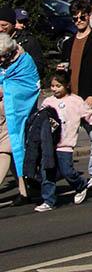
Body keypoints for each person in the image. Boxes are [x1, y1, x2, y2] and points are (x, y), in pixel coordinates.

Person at [36, 72, 92, 211]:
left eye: (58, 86)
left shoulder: (76, 101)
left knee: (67, 171)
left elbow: (89, 114)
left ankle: (81, 185)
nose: (54, 89)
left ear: (66, 85)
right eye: (52, 86)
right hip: (50, 145)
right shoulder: (48, 102)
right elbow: (40, 119)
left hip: (66, 144)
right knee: (47, 172)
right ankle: (49, 200)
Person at [59, 1, 92, 189]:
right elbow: (63, 69)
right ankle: (63, 170)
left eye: (82, 17)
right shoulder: (68, 43)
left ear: (89, 16)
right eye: (75, 18)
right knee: (64, 139)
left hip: (89, 97)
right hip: (70, 99)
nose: (79, 21)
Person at [0, 32, 39, 205]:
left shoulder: (25, 62)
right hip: (3, 116)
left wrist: (6, 91)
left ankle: (26, 190)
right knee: (15, 155)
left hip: (15, 115)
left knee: (5, 151)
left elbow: (29, 87)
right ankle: (25, 190)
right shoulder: (5, 63)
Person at [0, 6, 44, 79]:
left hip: (19, 82)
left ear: (13, 24)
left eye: (4, 25)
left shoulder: (28, 40)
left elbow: (38, 66)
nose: (0, 29)